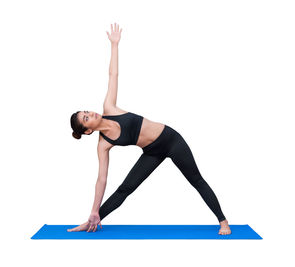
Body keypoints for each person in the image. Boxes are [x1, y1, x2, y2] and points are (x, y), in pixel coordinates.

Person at [68, 23, 231, 235]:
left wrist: (115, 45)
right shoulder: (103, 144)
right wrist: (93, 209)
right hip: (152, 152)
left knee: (196, 180)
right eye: (86, 118)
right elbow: (101, 179)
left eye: (86, 112)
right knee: (125, 189)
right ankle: (92, 220)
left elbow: (113, 75)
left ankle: (223, 221)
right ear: (87, 130)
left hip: (171, 140)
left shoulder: (110, 107)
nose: (90, 114)